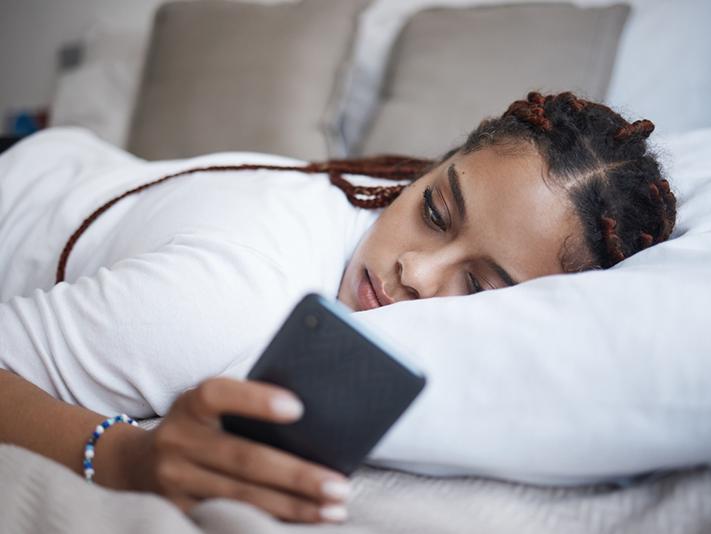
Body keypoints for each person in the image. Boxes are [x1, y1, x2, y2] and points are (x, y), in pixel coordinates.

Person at [0, 92, 677, 524]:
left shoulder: (373, 202)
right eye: (435, 212)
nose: (414, 270)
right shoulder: (223, 303)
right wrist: (120, 458)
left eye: (477, 286)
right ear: (426, 171)